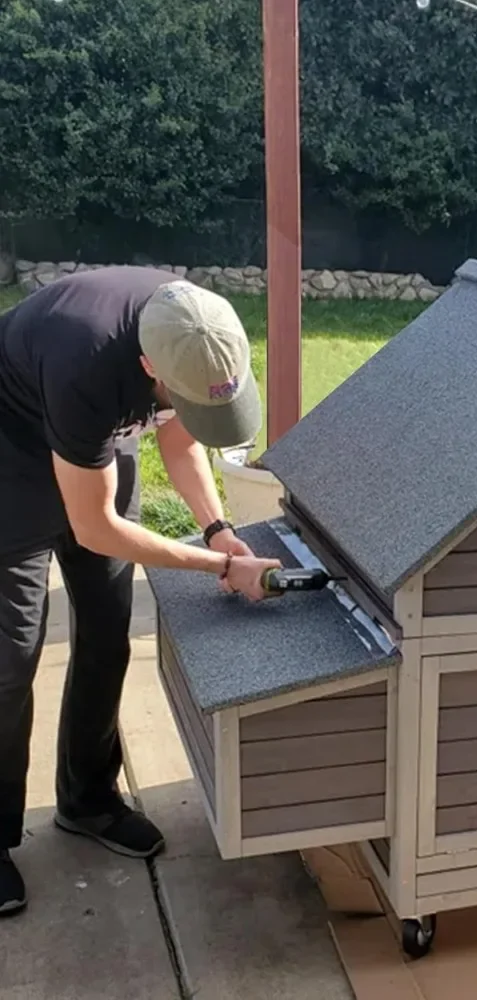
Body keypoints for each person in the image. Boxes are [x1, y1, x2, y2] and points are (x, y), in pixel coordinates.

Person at [0, 266, 283, 917]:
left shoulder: (198, 333)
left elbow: (183, 442)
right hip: (10, 457)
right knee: (10, 663)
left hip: (96, 448)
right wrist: (217, 569)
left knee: (107, 633)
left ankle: (88, 799)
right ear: (146, 362)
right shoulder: (84, 362)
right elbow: (96, 527)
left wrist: (218, 532)